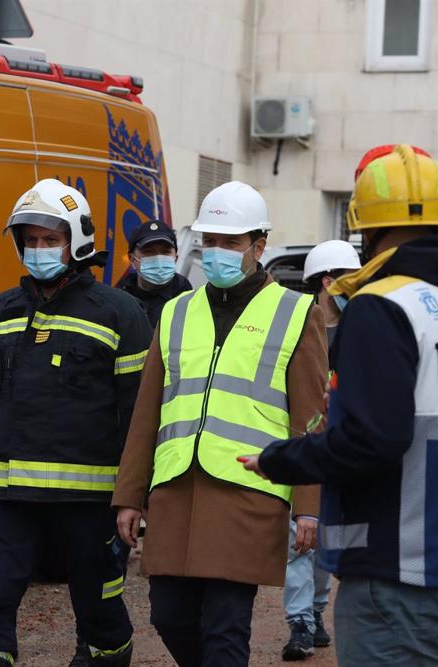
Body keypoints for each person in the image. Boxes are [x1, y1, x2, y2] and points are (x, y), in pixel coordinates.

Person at [240, 144, 438, 666]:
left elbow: (375, 440)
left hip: (390, 576)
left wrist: (283, 459)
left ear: (366, 230)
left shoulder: (379, 307)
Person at [0, 179, 153, 667]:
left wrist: (134, 495)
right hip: (8, 499)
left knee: (100, 609)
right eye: (30, 240)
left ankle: (105, 655)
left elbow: (138, 413)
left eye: (51, 239)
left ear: (77, 242)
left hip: (90, 501)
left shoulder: (119, 313)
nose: (39, 249)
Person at [112, 180, 328, 667]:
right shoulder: (176, 312)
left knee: (225, 628)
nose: (217, 252)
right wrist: (129, 494)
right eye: (210, 241)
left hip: (249, 491)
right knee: (168, 616)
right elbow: (147, 412)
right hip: (175, 489)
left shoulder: (296, 312)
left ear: (259, 245)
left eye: (231, 242)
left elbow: (310, 421)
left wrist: (309, 508)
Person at [279, 239, 361, 661]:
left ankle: (315, 610)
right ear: (328, 282)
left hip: (343, 449)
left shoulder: (362, 330)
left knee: (330, 535)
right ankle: (300, 622)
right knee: (299, 534)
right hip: (306, 443)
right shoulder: (295, 325)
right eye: (351, 280)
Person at [117, 219, 192, 327]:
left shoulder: (189, 301)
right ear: (132, 259)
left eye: (165, 252)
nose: (158, 258)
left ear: (176, 257)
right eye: (149, 252)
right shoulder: (119, 300)